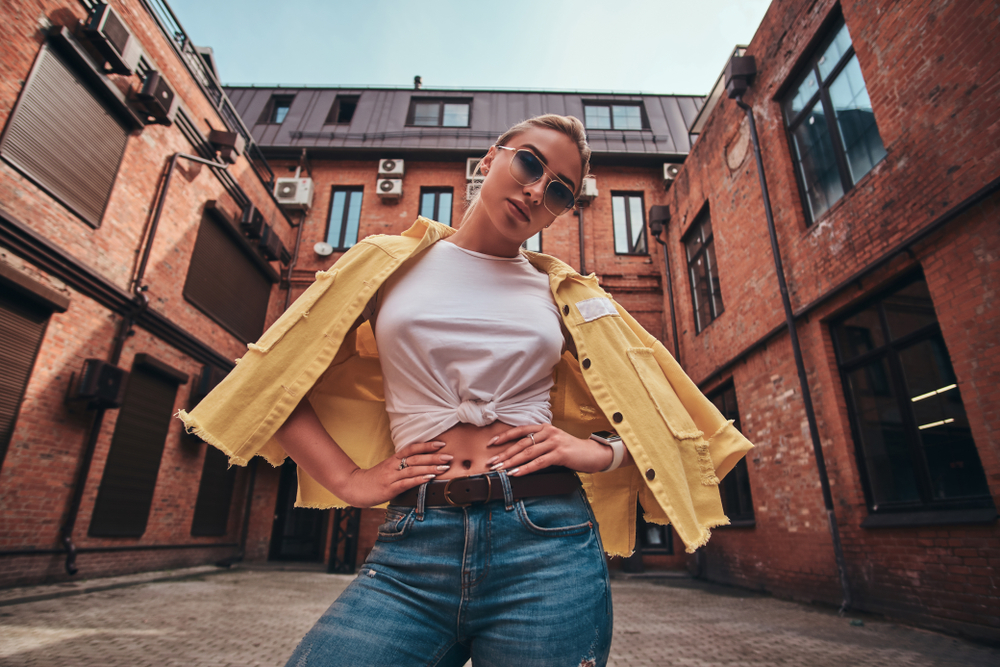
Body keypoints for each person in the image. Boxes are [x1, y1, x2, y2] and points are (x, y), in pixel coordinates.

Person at [179, 114, 753, 667]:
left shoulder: (567, 293)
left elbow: (662, 408)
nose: (535, 191)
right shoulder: (384, 265)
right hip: (415, 541)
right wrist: (350, 481)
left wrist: (602, 452)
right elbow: (270, 380)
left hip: (547, 538)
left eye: (558, 191)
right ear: (489, 159)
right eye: (529, 164)